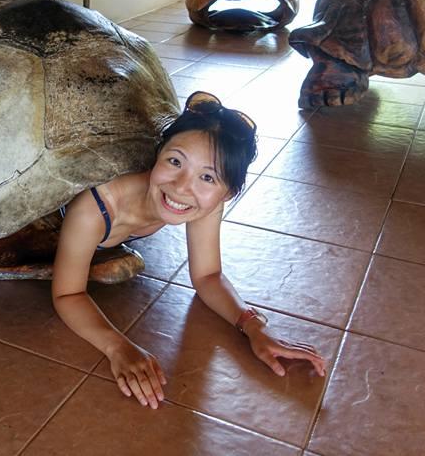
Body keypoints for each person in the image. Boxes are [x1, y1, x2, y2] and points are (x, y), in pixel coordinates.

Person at [52, 91, 326, 410]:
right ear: (158, 154)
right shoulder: (95, 209)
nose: (183, 186)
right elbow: (68, 294)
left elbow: (208, 275)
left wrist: (255, 327)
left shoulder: (205, 202)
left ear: (228, 194)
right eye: (175, 161)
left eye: (207, 177)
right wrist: (117, 347)